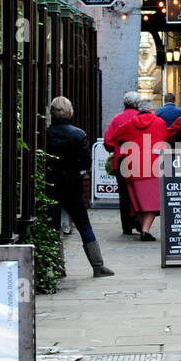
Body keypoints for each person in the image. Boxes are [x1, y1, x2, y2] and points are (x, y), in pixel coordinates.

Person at [46, 97, 114, 277]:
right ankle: (98, 265)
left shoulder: (45, 134)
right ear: (70, 112)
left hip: (50, 184)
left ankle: (57, 268)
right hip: (73, 185)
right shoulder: (78, 134)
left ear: (53, 112)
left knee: (52, 227)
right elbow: (85, 161)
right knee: (84, 225)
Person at [108, 97, 168, 240]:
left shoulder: (129, 124)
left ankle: (143, 229)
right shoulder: (160, 123)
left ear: (139, 110)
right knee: (153, 201)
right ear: (152, 110)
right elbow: (164, 137)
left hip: (132, 166)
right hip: (153, 165)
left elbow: (114, 137)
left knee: (139, 202)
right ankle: (145, 231)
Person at [104, 90, 142, 235]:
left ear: (124, 103)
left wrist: (115, 148)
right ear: (138, 103)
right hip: (139, 160)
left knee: (124, 195)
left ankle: (126, 226)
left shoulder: (117, 118)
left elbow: (107, 141)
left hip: (121, 160)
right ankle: (139, 221)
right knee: (139, 192)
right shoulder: (141, 118)